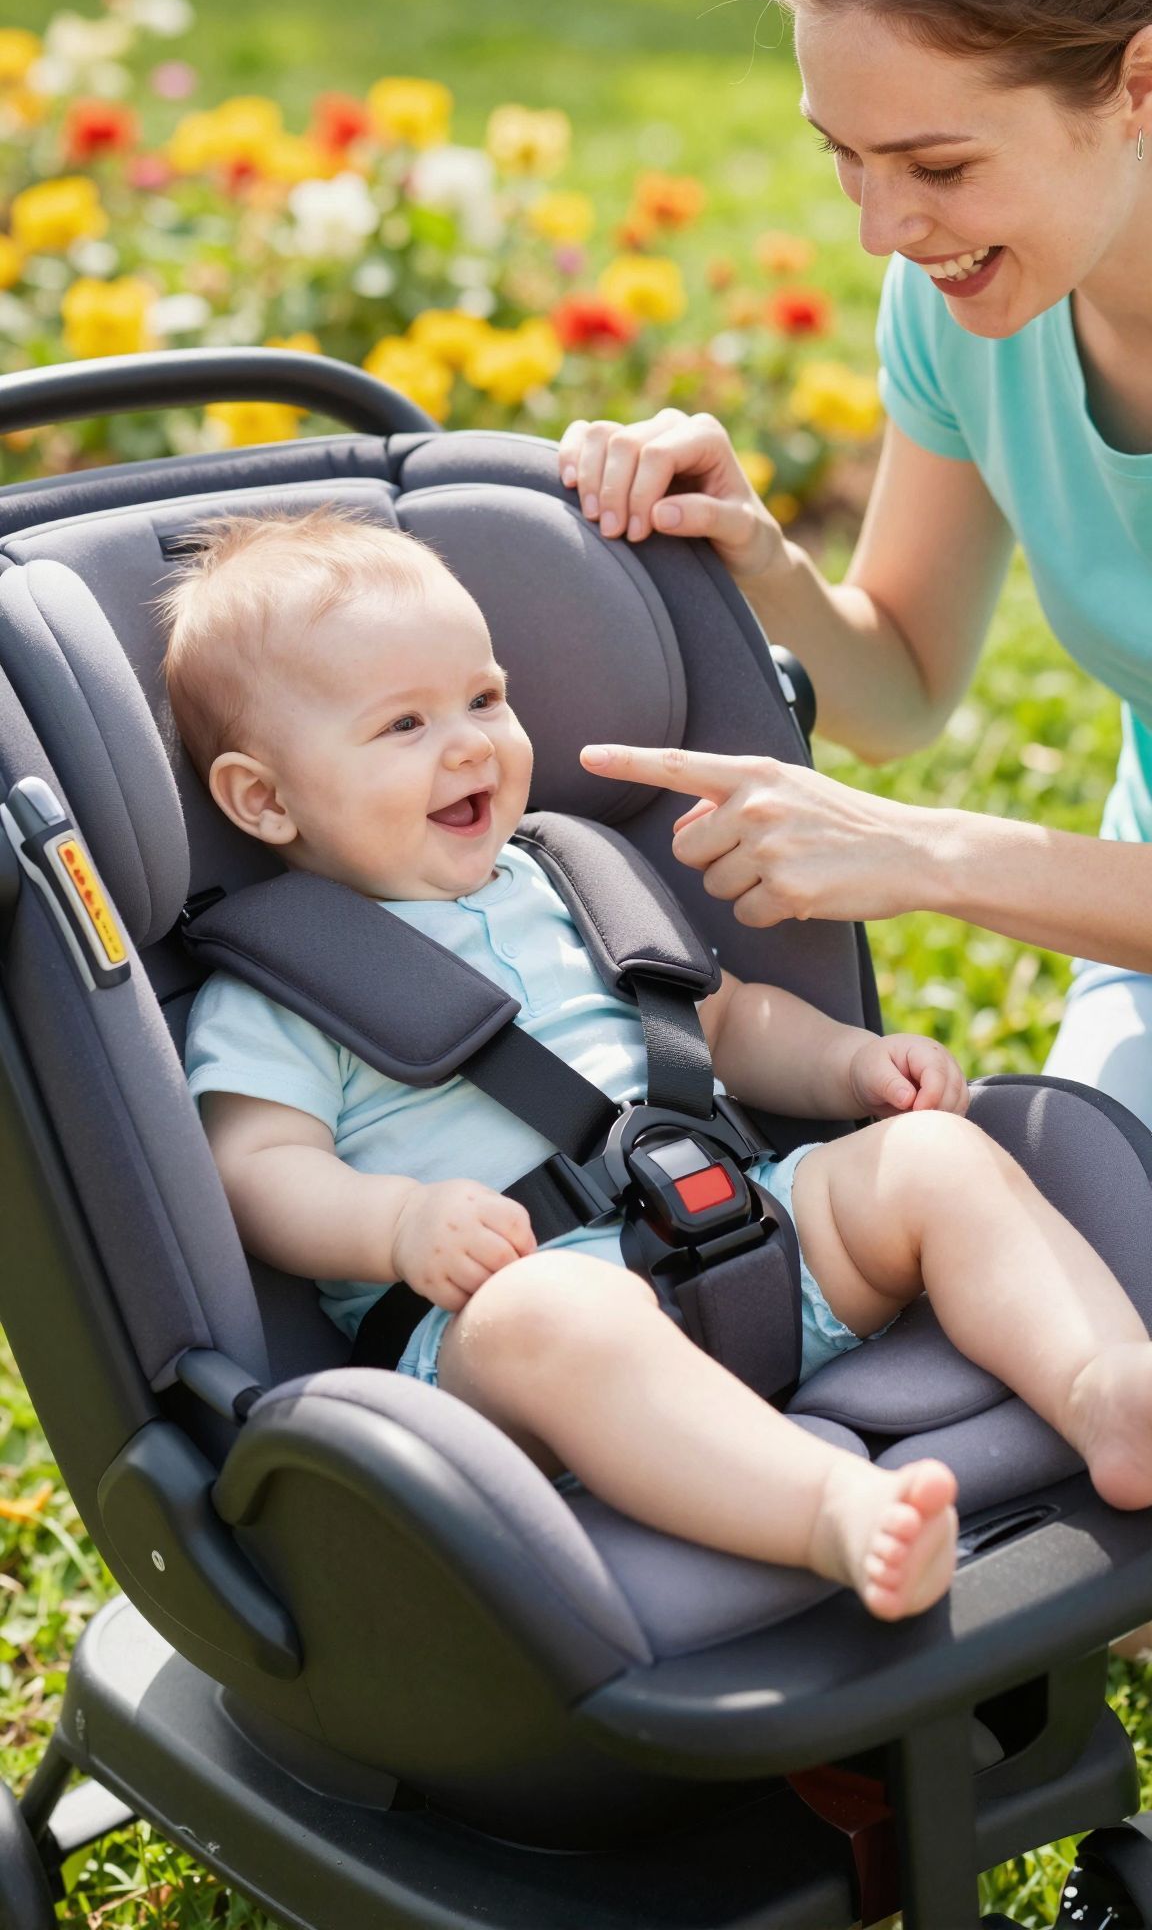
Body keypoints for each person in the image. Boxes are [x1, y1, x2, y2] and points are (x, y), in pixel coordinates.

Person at [165, 506, 1152, 1626]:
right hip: (512, 1343)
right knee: (554, 1312)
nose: (472, 744)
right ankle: (833, 1508)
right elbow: (254, 1168)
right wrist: (394, 1225)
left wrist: (852, 1065)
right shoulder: (282, 987)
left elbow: (726, 1025)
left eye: (484, 697)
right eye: (403, 723)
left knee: (933, 1157)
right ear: (264, 798)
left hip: (749, 1232)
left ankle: (1105, 1386)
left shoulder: (568, 878)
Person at [559, 0, 1152, 1137]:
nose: (885, 229)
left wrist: (929, 855)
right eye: (845, 154)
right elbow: (902, 689)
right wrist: (759, 557)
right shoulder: (967, 306)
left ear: (1139, 84)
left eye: (939, 166)